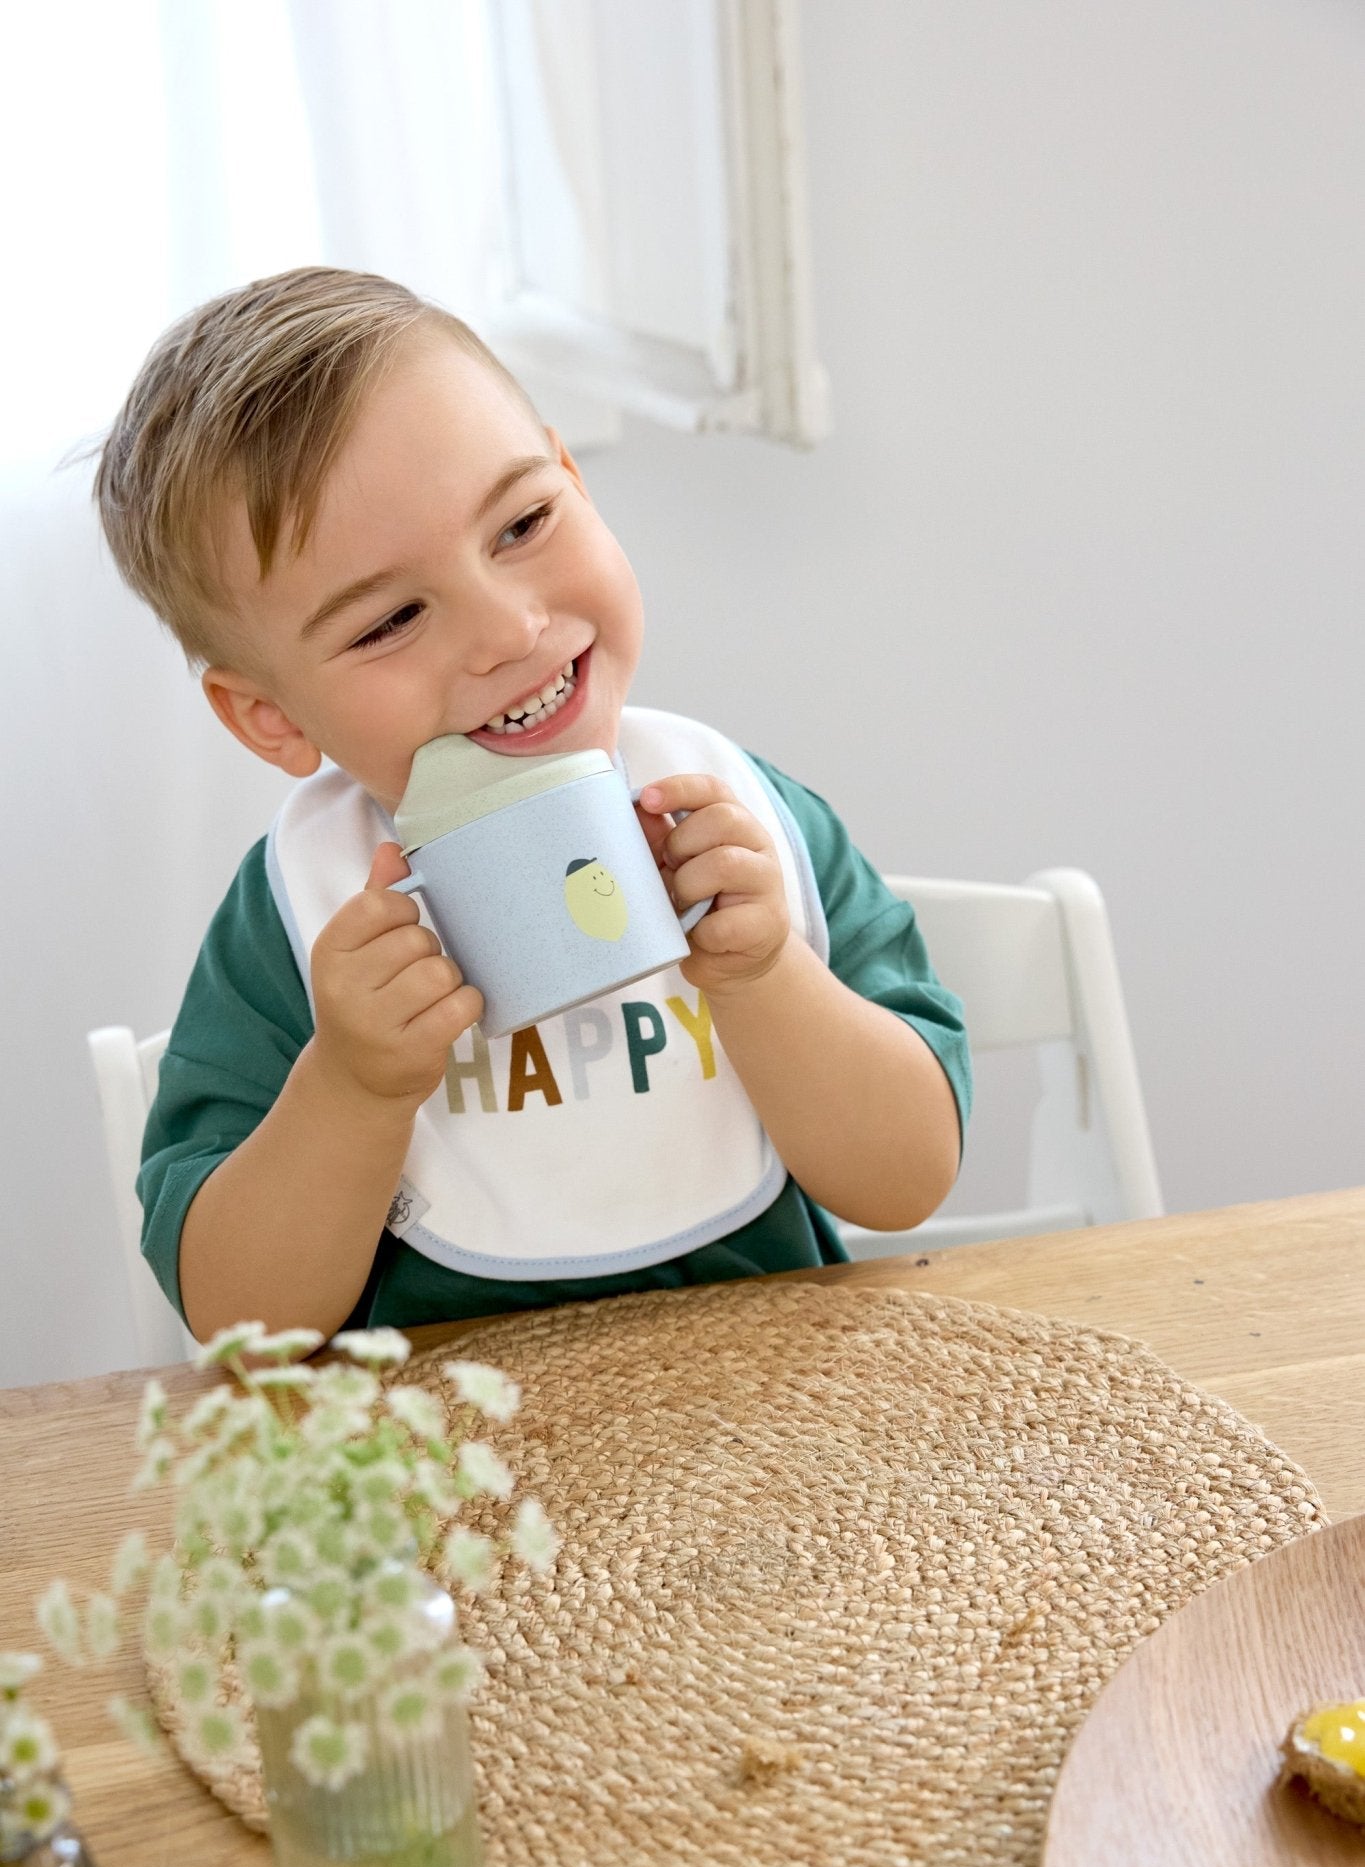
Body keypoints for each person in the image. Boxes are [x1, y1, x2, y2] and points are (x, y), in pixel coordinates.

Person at [96, 266, 971, 1342]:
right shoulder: (306, 909)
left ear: (574, 478)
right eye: (391, 619)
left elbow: (909, 1177)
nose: (509, 629)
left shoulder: (740, 818)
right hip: (450, 1463)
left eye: (521, 524)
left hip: (777, 1424)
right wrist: (354, 1087)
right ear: (271, 715)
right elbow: (241, 1319)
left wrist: (767, 976)